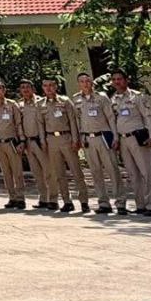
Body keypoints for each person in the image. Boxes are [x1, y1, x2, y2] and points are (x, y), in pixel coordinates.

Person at [111, 71, 151, 216]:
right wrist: (116, 139)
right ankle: (141, 205)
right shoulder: (113, 99)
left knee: (146, 172)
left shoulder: (137, 96)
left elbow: (148, 117)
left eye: (119, 79)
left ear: (126, 80)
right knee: (133, 174)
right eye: (114, 80)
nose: (117, 82)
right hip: (123, 140)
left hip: (138, 138)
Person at [73, 73, 122, 214]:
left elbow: (111, 117)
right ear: (79, 84)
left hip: (103, 137)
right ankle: (103, 203)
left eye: (87, 81)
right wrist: (80, 137)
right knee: (95, 172)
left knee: (113, 170)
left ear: (92, 82)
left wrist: (115, 137)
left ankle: (120, 202)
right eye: (82, 81)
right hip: (88, 139)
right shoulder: (76, 99)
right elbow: (78, 120)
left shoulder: (102, 97)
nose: (85, 84)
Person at [40, 78, 88, 212]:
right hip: (51, 140)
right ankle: (67, 201)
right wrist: (43, 141)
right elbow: (40, 124)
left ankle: (84, 201)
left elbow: (73, 121)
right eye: (45, 86)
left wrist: (75, 139)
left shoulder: (65, 101)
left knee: (76, 171)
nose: (48, 88)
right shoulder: (41, 104)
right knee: (59, 173)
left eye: (51, 85)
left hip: (66, 137)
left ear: (56, 86)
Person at [0, 81, 25, 209]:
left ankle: (20, 198)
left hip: (12, 142)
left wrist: (21, 140)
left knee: (17, 171)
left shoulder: (12, 104)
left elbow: (18, 123)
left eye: (0, 88)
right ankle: (12, 197)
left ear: (4, 90)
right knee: (6, 173)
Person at [17, 80, 52, 209]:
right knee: (37, 173)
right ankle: (43, 198)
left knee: (48, 172)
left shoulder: (41, 102)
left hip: (40, 141)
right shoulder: (20, 105)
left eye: (28, 87)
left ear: (33, 89)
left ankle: (52, 199)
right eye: (22, 87)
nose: (25, 89)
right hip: (28, 142)